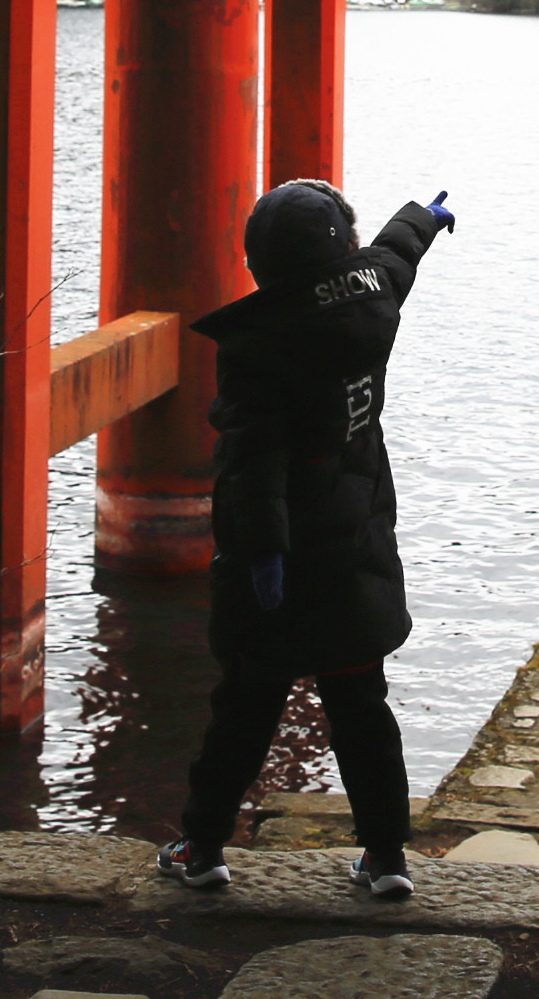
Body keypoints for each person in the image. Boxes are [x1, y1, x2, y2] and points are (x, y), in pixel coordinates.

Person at [157, 177, 455, 902]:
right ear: (340, 248)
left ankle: (204, 847)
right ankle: (386, 858)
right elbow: (396, 254)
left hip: (285, 565)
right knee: (362, 710)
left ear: (262, 263)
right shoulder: (371, 296)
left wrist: (261, 554)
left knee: (246, 711)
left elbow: (254, 466)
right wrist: (423, 216)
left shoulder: (260, 345)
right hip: (356, 545)